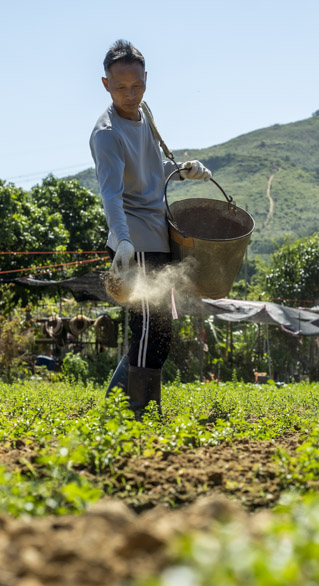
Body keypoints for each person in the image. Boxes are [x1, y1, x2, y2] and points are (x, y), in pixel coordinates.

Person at [90, 39, 211, 417]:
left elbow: (152, 170)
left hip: (158, 234)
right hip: (134, 242)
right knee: (148, 333)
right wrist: (122, 242)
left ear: (146, 80)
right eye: (121, 87)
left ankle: (121, 410)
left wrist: (184, 171)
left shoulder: (145, 114)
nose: (130, 94)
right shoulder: (106, 134)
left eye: (137, 85)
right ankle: (135, 413)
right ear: (106, 84)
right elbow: (111, 194)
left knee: (158, 335)